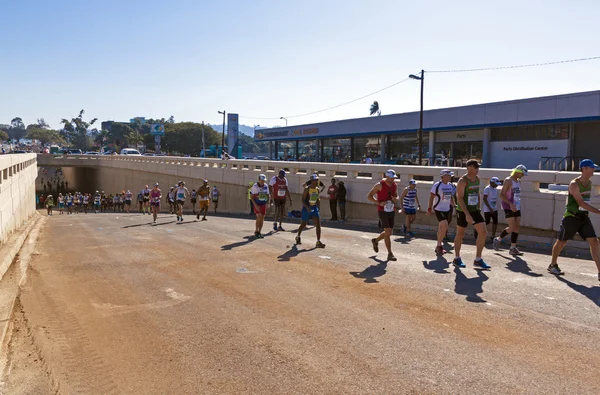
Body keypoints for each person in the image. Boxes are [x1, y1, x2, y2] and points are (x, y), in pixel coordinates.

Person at [548, 159, 600, 282]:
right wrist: (598, 211)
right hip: (571, 217)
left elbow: (585, 203)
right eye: (592, 167)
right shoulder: (574, 184)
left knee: (594, 242)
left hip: (584, 217)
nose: (594, 170)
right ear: (584, 169)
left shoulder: (590, 182)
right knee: (561, 242)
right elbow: (580, 202)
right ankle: (553, 264)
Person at [453, 160, 490, 269]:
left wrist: (478, 206)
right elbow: (459, 198)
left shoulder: (477, 179)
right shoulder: (462, 181)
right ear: (469, 168)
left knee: (483, 232)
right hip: (463, 210)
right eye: (475, 167)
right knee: (460, 233)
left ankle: (478, 259)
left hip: (474, 210)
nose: (478, 169)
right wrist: (467, 214)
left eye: (478, 167)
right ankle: (457, 258)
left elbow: (477, 192)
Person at [494, 165, 528, 255]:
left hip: (517, 205)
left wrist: (516, 204)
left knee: (517, 227)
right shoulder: (508, 180)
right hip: (508, 205)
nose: (523, 176)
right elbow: (501, 194)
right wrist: (510, 204)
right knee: (512, 226)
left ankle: (513, 247)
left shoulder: (519, 181)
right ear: (517, 171)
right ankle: (498, 239)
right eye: (522, 174)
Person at [367, 169, 400, 261]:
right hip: (382, 211)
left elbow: (396, 196)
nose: (393, 179)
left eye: (394, 178)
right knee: (388, 232)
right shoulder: (379, 185)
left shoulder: (394, 185)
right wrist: (378, 203)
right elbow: (369, 196)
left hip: (391, 210)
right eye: (392, 178)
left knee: (389, 232)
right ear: (387, 177)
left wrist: (395, 199)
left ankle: (376, 240)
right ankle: (390, 253)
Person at [428, 169, 456, 256]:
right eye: (449, 175)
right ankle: (440, 245)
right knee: (445, 226)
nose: (450, 177)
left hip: (447, 209)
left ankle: (438, 245)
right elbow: (432, 197)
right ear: (443, 176)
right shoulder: (437, 185)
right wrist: (429, 208)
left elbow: (450, 197)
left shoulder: (450, 185)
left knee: (441, 228)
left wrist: (454, 205)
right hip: (438, 208)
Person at [295, 174, 325, 248]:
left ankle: (318, 241)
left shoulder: (317, 189)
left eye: (317, 180)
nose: (316, 181)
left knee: (318, 223)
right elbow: (303, 199)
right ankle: (298, 235)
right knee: (303, 224)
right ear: (311, 181)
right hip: (306, 208)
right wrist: (307, 207)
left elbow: (317, 198)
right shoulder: (307, 189)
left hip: (314, 207)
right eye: (315, 180)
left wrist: (318, 206)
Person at [475, 177, 500, 242]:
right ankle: (478, 229)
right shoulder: (487, 188)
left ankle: (493, 235)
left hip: (494, 208)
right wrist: (489, 208)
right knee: (487, 221)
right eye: (496, 184)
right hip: (488, 208)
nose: (497, 185)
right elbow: (484, 199)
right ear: (492, 182)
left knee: (495, 221)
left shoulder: (495, 189)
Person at [250, 174, 271, 238]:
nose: (262, 182)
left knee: (262, 217)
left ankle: (259, 231)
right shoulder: (255, 186)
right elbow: (251, 197)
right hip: (257, 203)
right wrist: (255, 205)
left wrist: (268, 203)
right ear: (259, 180)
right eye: (261, 180)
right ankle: (256, 230)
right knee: (258, 216)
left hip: (263, 203)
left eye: (263, 181)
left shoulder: (266, 186)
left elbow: (268, 195)